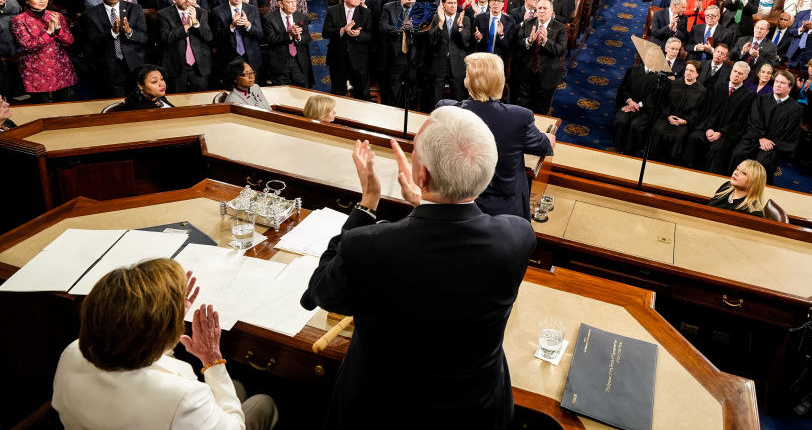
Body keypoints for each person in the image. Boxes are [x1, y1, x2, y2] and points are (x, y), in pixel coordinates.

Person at [301, 108, 535, 428]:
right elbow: (448, 260)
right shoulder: (518, 237)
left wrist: (368, 200)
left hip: (382, 411)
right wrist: (423, 203)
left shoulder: (367, 247)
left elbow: (318, 292)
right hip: (478, 412)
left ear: (421, 176)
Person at [52, 257, 277, 429]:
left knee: (235, 388)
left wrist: (168, 320)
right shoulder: (182, 397)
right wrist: (212, 361)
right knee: (263, 403)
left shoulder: (71, 352)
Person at [439, 53, 554, 219]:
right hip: (505, 213)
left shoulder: (447, 112)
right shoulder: (519, 118)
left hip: (460, 209)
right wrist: (548, 139)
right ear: (500, 81)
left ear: (468, 82)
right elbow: (543, 146)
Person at [81, 0, 148, 97]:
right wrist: (112, 33)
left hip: (134, 65)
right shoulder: (90, 14)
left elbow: (144, 38)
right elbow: (91, 41)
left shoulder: (135, 9)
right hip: (108, 67)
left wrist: (129, 32)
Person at [10, 0, 77, 102]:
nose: (42, 0)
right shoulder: (19, 20)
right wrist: (48, 32)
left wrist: (57, 29)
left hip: (60, 67)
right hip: (36, 70)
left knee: (65, 106)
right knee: (43, 108)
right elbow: (28, 45)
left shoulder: (57, 16)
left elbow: (70, 41)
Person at [731, 71, 804, 183]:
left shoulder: (795, 109)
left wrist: (770, 144)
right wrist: (760, 138)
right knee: (738, 153)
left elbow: (790, 133)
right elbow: (753, 121)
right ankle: (734, 184)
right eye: (777, 82)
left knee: (763, 163)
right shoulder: (761, 99)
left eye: (783, 83)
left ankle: (758, 191)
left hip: (773, 145)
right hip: (755, 138)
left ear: (789, 88)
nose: (778, 85)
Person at [682, 61, 754, 173]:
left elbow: (740, 121)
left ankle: (709, 176)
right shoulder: (718, 88)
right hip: (709, 128)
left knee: (718, 148)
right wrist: (709, 128)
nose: (736, 75)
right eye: (734, 71)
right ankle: (688, 170)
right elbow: (707, 111)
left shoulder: (748, 96)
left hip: (727, 134)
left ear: (745, 77)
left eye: (740, 73)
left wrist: (721, 133)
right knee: (695, 137)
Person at [513, 0, 567, 115]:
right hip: (526, 74)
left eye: (545, 8)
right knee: (523, 108)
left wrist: (546, 41)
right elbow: (517, 43)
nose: (542, 11)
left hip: (547, 75)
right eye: (539, 8)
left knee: (541, 109)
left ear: (552, 11)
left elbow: (560, 50)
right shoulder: (528, 23)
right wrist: (528, 41)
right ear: (536, 11)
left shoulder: (560, 28)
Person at [158, 0, 214, 92]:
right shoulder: (163, 14)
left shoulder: (201, 13)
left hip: (199, 66)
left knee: (201, 100)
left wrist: (196, 23)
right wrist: (186, 26)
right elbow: (165, 38)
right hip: (177, 66)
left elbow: (208, 37)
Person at [650, 60, 707, 163]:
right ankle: (653, 159)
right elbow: (665, 102)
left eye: (692, 71)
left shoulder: (701, 91)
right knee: (658, 129)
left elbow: (698, 112)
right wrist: (668, 116)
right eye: (687, 70)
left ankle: (671, 163)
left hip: (685, 122)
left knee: (679, 136)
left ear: (697, 74)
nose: (688, 73)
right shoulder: (674, 83)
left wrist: (684, 121)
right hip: (668, 117)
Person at [323, 0, 374, 100]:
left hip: (359, 59)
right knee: (338, 93)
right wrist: (341, 30)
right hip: (338, 58)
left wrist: (359, 35)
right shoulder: (333, 11)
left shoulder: (366, 13)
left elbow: (370, 35)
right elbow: (325, 33)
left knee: (362, 94)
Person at [425, 0, 473, 108]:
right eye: (450, 3)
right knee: (435, 100)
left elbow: (466, 43)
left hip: (457, 65)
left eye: (455, 3)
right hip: (439, 65)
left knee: (459, 100)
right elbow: (432, 40)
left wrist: (460, 27)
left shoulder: (465, 19)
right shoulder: (437, 18)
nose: (453, 5)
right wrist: (441, 24)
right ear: (443, 4)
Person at [263, 0, 312, 88]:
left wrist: (299, 37)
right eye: (290, 2)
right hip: (280, 64)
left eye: (295, 2)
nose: (294, 5)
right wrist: (289, 34)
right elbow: (270, 40)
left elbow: (308, 37)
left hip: (299, 62)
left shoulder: (301, 17)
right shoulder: (269, 18)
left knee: (301, 93)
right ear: (280, 3)